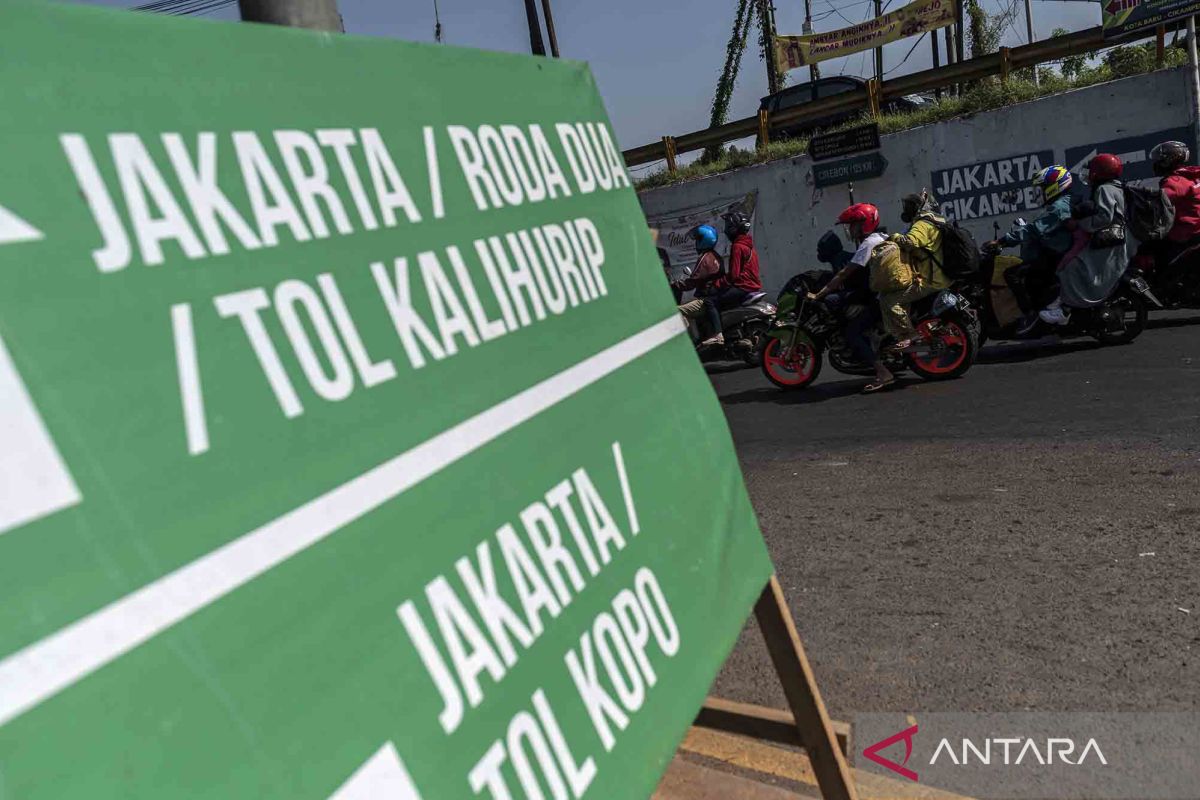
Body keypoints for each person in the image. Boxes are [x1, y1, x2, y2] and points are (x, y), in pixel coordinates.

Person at [1040, 154, 1128, 325]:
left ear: (1099, 172)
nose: (1089, 174)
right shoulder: (1116, 187)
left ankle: (1065, 311)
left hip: (1107, 241)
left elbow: (1103, 218)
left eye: (1092, 171)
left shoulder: (1104, 190)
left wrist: (1080, 224)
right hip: (1114, 240)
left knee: (1070, 267)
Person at [807, 204, 888, 390]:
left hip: (878, 298)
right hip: (883, 293)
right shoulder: (881, 238)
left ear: (863, 224)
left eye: (852, 225)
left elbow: (844, 274)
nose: (849, 229)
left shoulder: (868, 244)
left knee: (852, 332)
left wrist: (820, 293)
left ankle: (882, 372)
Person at [985, 166, 1075, 333]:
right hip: (1058, 254)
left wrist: (1003, 241)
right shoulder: (1064, 203)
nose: (1039, 192)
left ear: (1054, 186)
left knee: (1013, 274)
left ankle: (1031, 314)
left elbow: (1034, 230)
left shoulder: (1058, 207)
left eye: (1042, 188)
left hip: (1056, 256)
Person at [880, 190, 951, 351]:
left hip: (930, 280)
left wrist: (892, 237)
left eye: (910, 206)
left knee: (888, 300)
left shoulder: (922, 224)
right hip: (941, 276)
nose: (906, 210)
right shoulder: (936, 222)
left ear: (920, 207)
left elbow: (909, 242)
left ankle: (907, 334)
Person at [1148, 141, 1200, 275]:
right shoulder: (1193, 176)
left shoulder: (1173, 182)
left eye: (1159, 160)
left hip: (1187, 235)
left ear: (1167, 161)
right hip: (1196, 232)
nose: (1155, 164)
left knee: (1150, 248)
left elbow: (1156, 206)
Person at [674, 224, 725, 346]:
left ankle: (687, 344)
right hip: (715, 295)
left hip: (706, 299)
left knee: (676, 311)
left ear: (704, 240)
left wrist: (677, 285)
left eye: (697, 239)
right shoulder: (716, 256)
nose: (696, 242)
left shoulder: (705, 258)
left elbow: (693, 282)